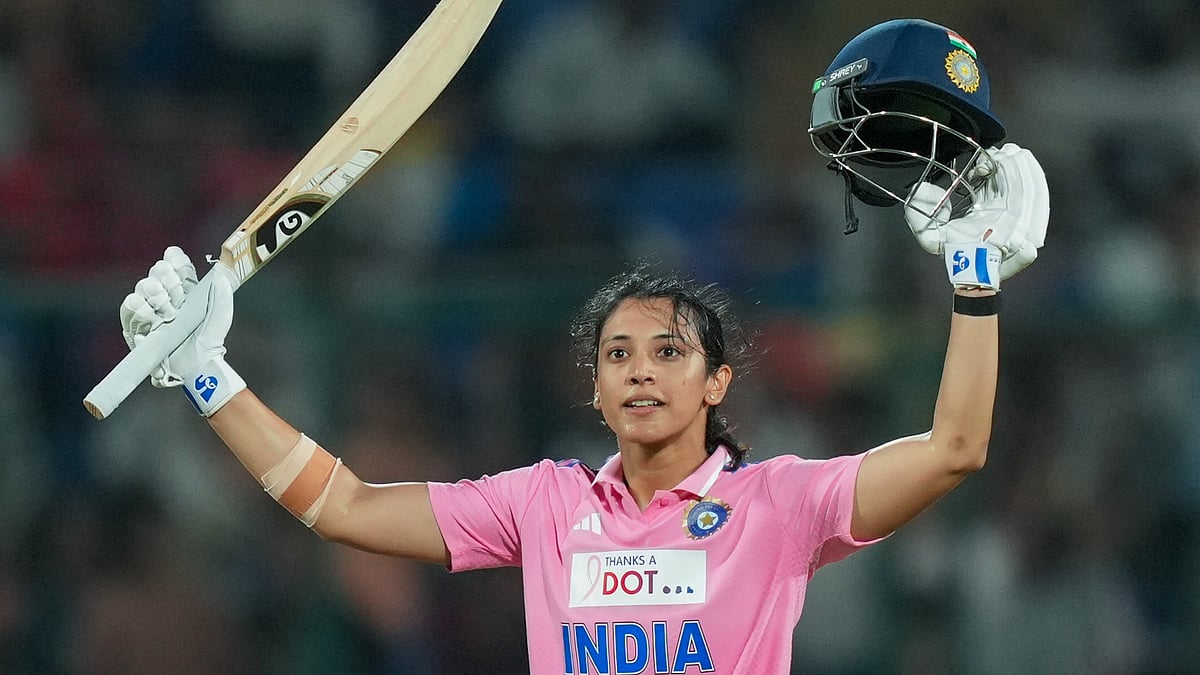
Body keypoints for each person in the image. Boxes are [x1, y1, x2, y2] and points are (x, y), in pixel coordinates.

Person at [115, 18, 1049, 675]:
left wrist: (975, 285)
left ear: (718, 380)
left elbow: (956, 449)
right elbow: (343, 505)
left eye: (669, 350)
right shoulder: (544, 504)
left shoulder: (780, 505)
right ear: (595, 393)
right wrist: (206, 373)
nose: (640, 366)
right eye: (617, 354)